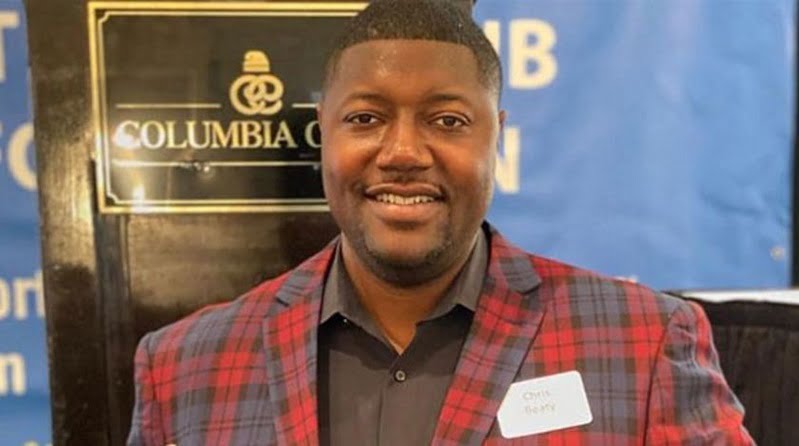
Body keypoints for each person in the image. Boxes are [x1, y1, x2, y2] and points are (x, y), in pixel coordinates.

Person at [128, 0, 754, 444]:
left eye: (448, 120)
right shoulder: (183, 369)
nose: (403, 152)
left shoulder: (645, 343)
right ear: (324, 134)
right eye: (366, 119)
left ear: (496, 138)